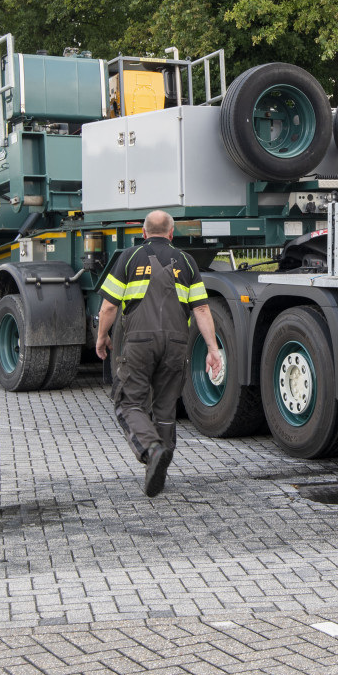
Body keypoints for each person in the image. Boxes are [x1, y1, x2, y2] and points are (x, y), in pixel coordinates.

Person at [94, 210, 223, 496]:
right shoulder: (187, 262)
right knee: (165, 407)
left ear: (143, 233)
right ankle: (161, 459)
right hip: (177, 344)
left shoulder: (128, 257)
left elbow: (109, 307)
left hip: (139, 343)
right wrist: (213, 348)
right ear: (171, 234)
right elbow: (201, 308)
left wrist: (102, 337)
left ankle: (152, 451)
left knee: (129, 403)